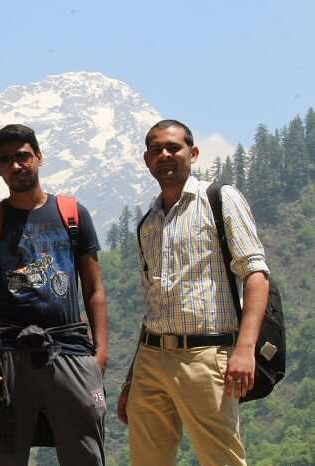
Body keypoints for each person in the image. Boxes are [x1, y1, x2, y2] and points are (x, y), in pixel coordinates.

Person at [116, 119, 270, 466]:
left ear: (193, 153)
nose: (165, 155)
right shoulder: (148, 224)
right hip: (152, 359)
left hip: (206, 354)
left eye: (174, 147)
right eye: (156, 150)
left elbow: (256, 276)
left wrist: (245, 351)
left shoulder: (219, 199)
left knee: (221, 459)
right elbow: (152, 305)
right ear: (147, 160)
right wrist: (131, 380)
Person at [0, 124, 108, 466]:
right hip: (9, 356)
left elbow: (94, 289)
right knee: (6, 455)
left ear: (39, 157)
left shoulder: (72, 215)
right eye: (6, 160)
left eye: (23, 156)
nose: (16, 165)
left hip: (71, 351)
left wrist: (100, 354)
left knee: (86, 455)